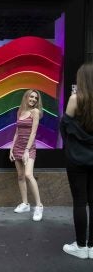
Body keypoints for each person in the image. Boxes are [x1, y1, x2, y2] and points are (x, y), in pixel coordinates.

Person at [60, 63, 93, 259]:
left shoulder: (75, 99)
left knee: (80, 202)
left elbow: (65, 127)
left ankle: (81, 247)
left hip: (77, 158)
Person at [9, 89, 44, 221]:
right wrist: (11, 149)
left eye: (36, 98)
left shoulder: (35, 112)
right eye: (31, 97)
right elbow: (17, 132)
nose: (33, 99)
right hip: (17, 147)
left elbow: (33, 133)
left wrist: (26, 150)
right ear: (26, 97)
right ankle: (25, 204)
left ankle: (39, 206)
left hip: (28, 148)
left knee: (29, 175)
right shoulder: (21, 111)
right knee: (20, 176)